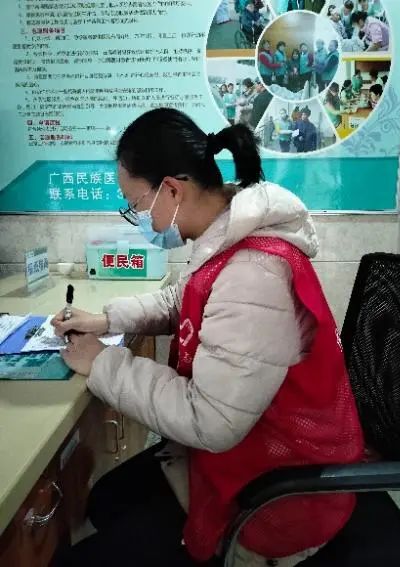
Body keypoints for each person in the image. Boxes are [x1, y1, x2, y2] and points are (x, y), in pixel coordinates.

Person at [50, 107, 364, 567]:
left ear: (172, 189)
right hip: (243, 452)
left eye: (136, 204)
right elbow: (184, 298)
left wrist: (102, 363)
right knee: (107, 500)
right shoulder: (226, 235)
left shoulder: (253, 274)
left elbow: (210, 421)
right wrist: (105, 321)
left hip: (273, 493)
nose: (138, 218)